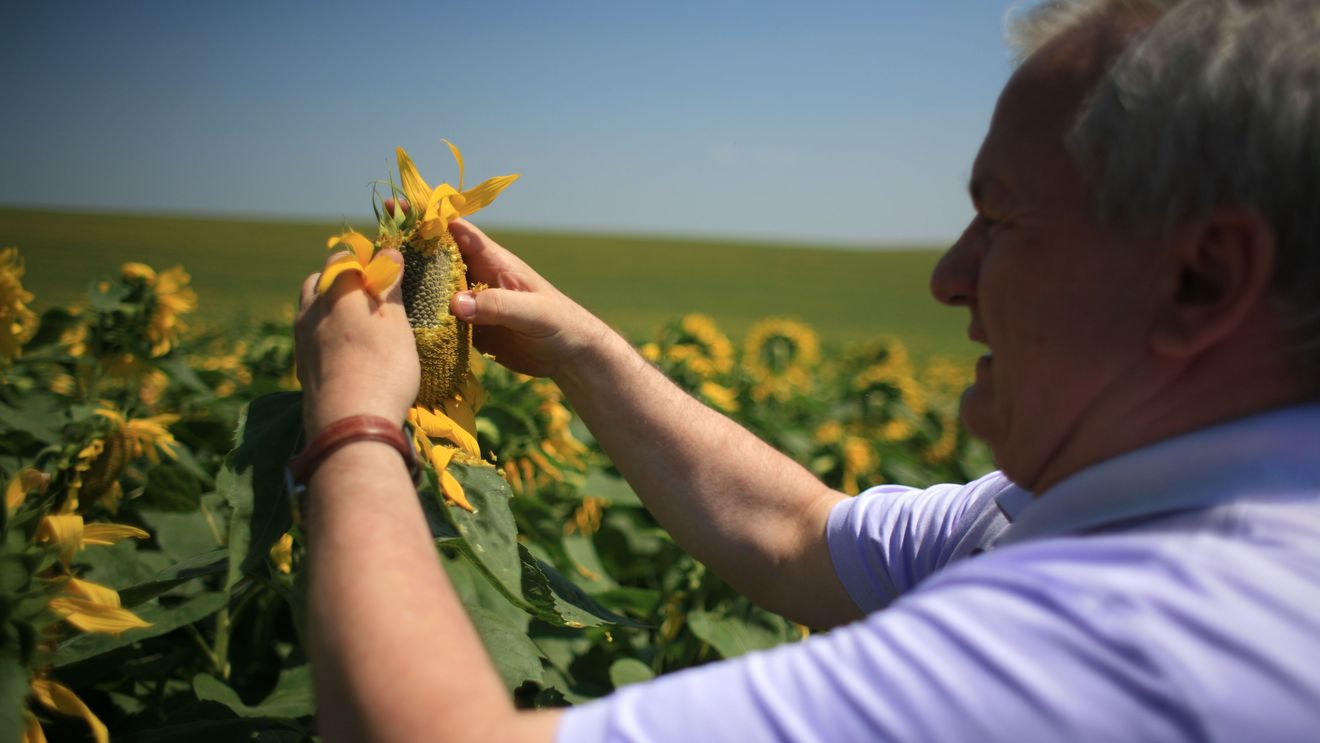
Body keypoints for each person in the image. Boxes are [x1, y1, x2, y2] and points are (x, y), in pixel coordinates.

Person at [292, 0, 1320, 740]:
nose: (949, 276)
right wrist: (586, 353)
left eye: (1003, 221)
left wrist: (353, 418)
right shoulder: (1079, 506)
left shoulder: (1139, 637)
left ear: (1201, 278)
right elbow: (800, 535)